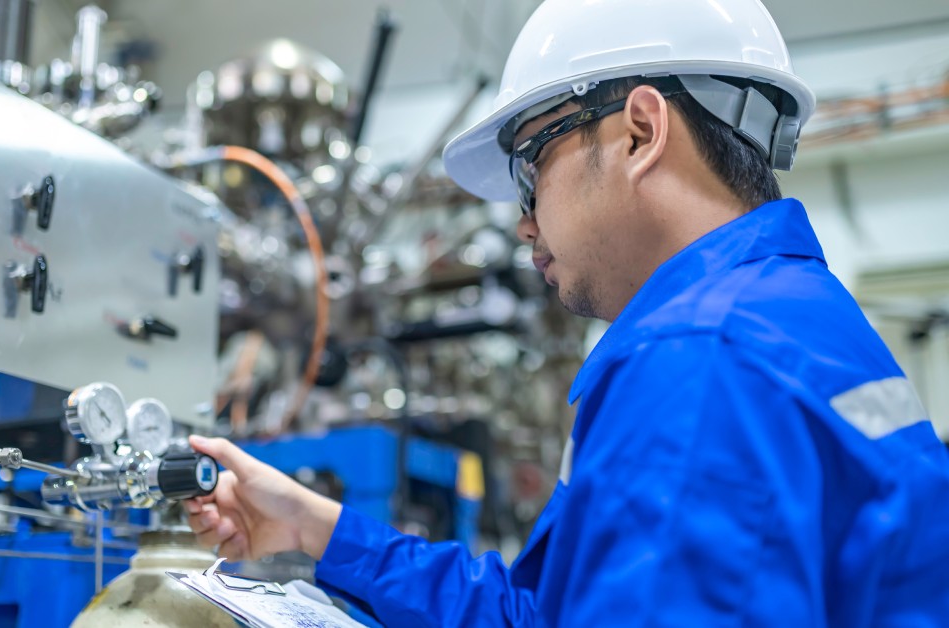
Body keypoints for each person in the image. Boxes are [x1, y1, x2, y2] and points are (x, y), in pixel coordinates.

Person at [186, 0, 949, 624]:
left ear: (640, 133)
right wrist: (314, 529)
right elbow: (544, 613)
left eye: (530, 165)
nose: (524, 222)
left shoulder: (700, 357)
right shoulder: (787, 318)